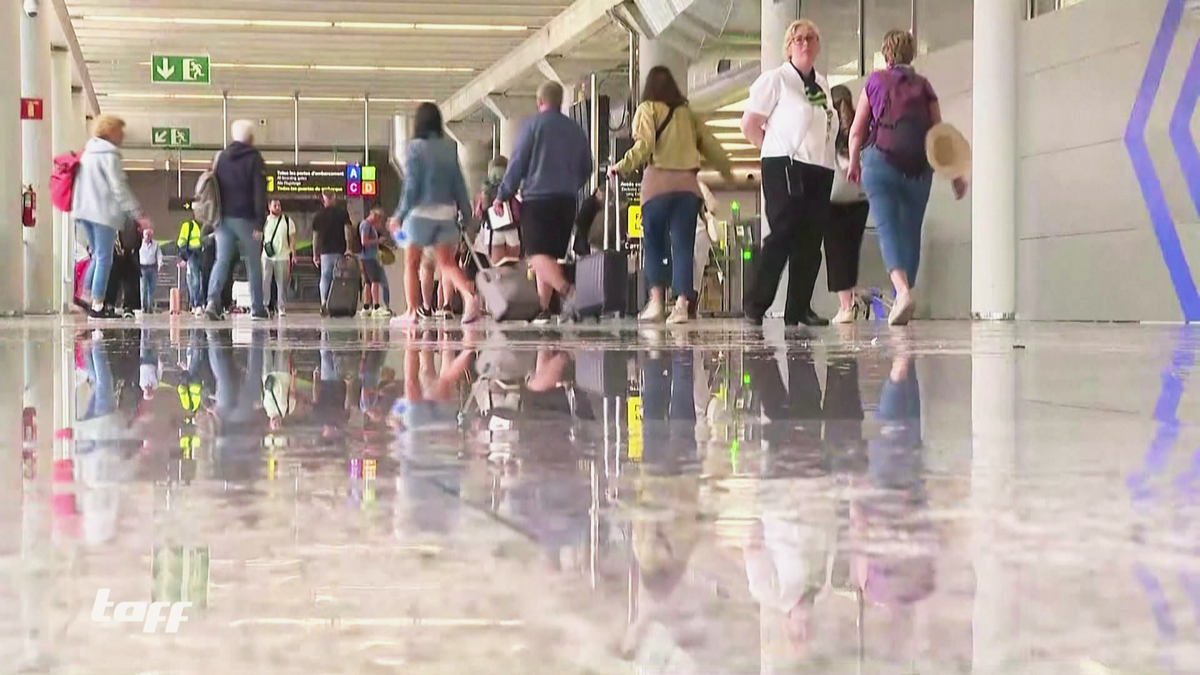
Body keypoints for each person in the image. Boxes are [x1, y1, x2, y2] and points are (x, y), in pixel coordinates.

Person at [848, 30, 968, 326]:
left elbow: (857, 129)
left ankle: (901, 293)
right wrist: (955, 176)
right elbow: (940, 135)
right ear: (911, 55)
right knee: (910, 231)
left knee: (887, 227)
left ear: (886, 55)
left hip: (880, 161)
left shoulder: (875, 81)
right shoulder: (924, 86)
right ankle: (904, 293)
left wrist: (853, 162)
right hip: (918, 166)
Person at [610, 65, 732, 324]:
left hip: (657, 187)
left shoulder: (647, 109)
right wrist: (727, 170)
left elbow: (644, 146)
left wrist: (621, 166)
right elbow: (710, 144)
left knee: (653, 243)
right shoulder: (687, 114)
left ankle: (656, 302)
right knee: (683, 247)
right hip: (687, 189)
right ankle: (681, 306)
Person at [740, 19, 837, 327]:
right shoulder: (777, 80)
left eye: (810, 38)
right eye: (798, 39)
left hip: (818, 167)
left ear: (818, 45)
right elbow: (750, 124)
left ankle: (799, 308)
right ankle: (756, 303)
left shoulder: (821, 84)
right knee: (782, 233)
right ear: (788, 47)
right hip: (784, 163)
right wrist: (770, 149)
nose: (805, 43)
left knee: (810, 240)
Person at [494, 80, 593, 323]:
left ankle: (570, 292)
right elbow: (587, 167)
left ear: (539, 102)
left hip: (538, 200)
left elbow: (517, 163)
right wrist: (571, 186)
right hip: (567, 202)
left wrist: (503, 194)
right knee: (548, 256)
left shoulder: (532, 127)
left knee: (536, 255)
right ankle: (543, 308)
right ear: (560, 102)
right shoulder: (575, 130)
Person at [387, 102, 482, 325]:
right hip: (447, 213)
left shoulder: (414, 148)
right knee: (448, 263)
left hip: (420, 215)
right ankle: (470, 297)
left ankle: (412, 312)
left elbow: (411, 187)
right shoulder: (448, 148)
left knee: (412, 263)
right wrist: (467, 216)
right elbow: (460, 184)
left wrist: (399, 215)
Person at [72, 115, 152, 319]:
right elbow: (119, 188)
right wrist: (138, 214)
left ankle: (85, 295)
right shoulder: (110, 154)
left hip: (83, 211)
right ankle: (97, 304)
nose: (123, 135)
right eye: (120, 130)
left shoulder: (87, 152)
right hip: (102, 213)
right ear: (112, 132)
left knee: (97, 255)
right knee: (105, 258)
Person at [206, 119, 269, 321]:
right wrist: (260, 222)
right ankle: (257, 308)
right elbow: (260, 192)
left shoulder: (222, 157)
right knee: (253, 263)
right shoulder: (254, 158)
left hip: (223, 219)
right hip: (247, 219)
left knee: (222, 260)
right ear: (250, 137)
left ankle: (212, 303)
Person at [826, 85, 871, 324]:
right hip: (860, 198)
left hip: (835, 198)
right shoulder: (862, 126)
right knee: (851, 252)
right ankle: (851, 301)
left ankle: (846, 306)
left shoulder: (829, 128)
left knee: (836, 253)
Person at [472, 156, 521, 263]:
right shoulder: (513, 185)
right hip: (513, 230)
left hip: (494, 232)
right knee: (513, 265)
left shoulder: (486, 188)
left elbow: (482, 212)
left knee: (498, 267)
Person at [312, 191, 354, 314]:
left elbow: (316, 237)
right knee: (339, 279)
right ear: (334, 198)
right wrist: (348, 248)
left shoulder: (318, 215)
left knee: (325, 277)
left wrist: (315, 253)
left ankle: (324, 302)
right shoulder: (342, 213)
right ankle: (337, 304)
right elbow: (348, 231)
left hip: (325, 252)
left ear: (323, 200)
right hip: (339, 251)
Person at [261, 199, 296, 317]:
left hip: (283, 256)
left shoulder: (287, 221)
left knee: (282, 284)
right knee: (265, 282)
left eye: (279, 205)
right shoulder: (264, 222)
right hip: (267, 257)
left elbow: (292, 240)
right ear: (269, 206)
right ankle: (264, 306)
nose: (277, 207)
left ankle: (281, 307)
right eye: (275, 205)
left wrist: (293, 254)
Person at [358, 207, 391, 318]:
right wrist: (378, 241)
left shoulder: (367, 225)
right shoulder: (366, 225)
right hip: (370, 257)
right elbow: (364, 241)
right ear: (374, 216)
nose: (379, 222)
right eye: (378, 219)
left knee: (367, 282)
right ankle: (376, 306)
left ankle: (366, 306)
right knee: (375, 281)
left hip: (367, 257)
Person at [175, 215, 204, 315]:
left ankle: (198, 304)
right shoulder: (188, 226)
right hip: (193, 255)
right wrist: (186, 257)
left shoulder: (206, 226)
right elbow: (181, 242)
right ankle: (197, 304)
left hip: (204, 255)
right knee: (195, 281)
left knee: (203, 281)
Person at [138, 229, 163, 314]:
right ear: (143, 235)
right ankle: (143, 307)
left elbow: (159, 255)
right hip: (142, 268)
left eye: (149, 234)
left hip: (152, 268)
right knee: (143, 288)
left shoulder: (156, 244)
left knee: (151, 289)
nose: (147, 236)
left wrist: (160, 265)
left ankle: (150, 307)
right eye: (146, 234)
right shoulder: (139, 243)